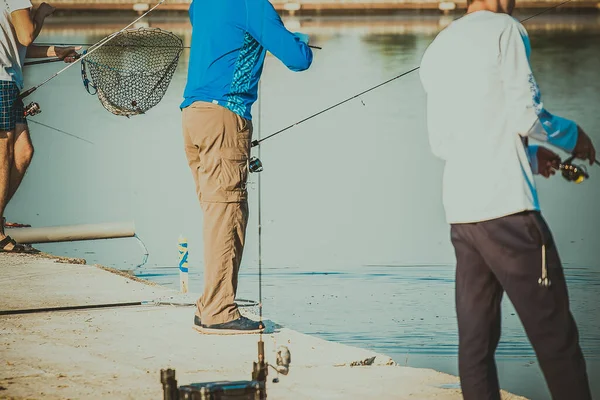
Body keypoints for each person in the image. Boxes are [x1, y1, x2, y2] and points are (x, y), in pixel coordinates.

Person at [419, 1, 596, 399]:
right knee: (557, 341)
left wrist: (530, 156)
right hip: (510, 213)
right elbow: (527, 116)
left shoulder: (439, 46)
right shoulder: (506, 30)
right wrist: (573, 136)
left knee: (476, 347)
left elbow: (445, 140)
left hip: (464, 216)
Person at [181, 0, 313, 334]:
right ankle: (219, 311)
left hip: (193, 115)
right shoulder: (252, 4)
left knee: (216, 214)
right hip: (225, 115)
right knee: (228, 214)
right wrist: (300, 39)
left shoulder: (201, 3)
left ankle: (208, 305)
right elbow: (298, 60)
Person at [1, 0, 79, 253]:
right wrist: (41, 13)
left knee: (23, 152)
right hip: (1, 82)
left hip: (9, 81)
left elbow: (19, 47)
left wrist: (57, 51)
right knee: (3, 154)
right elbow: (26, 36)